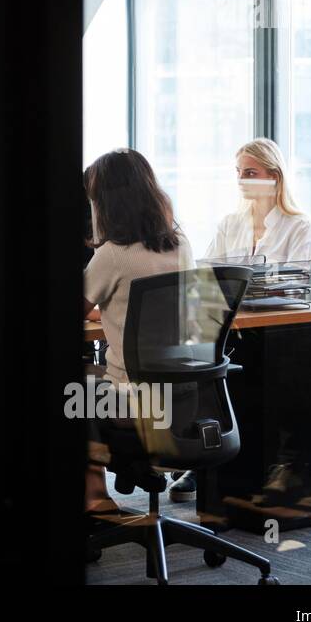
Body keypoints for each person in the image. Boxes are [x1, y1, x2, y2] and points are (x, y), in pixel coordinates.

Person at [168, 137, 311, 503]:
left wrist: (254, 289)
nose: (242, 181)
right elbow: (204, 275)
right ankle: (202, 452)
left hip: (277, 336)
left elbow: (294, 285)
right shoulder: (230, 223)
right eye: (238, 173)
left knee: (224, 366)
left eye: (250, 173)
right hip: (230, 324)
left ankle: (222, 460)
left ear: (274, 176)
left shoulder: (299, 226)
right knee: (194, 359)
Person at [82, 149, 193, 515]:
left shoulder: (113, 254)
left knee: (68, 386)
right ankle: (126, 470)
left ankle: (96, 496)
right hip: (185, 400)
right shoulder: (180, 244)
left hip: (131, 405)